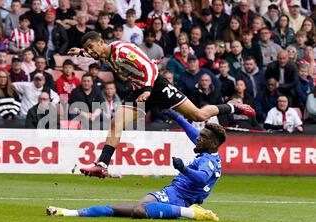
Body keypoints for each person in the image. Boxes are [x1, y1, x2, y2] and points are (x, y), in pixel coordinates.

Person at [68, 31, 255, 178]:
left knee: (198, 115)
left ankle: (233, 106)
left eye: (92, 47)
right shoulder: (102, 52)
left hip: (156, 85)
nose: (91, 52)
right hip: (140, 90)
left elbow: (149, 67)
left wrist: (148, 89)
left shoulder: (122, 50)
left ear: (101, 42)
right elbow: (96, 53)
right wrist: (81, 52)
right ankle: (102, 165)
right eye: (88, 50)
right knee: (117, 123)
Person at [47, 109, 222, 222]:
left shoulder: (208, 162)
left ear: (212, 143)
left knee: (139, 210)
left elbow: (202, 178)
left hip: (180, 197)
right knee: (119, 209)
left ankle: (193, 213)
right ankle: (68, 212)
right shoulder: (210, 151)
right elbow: (194, 134)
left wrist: (183, 168)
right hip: (174, 192)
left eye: (203, 137)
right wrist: (178, 117)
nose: (198, 138)